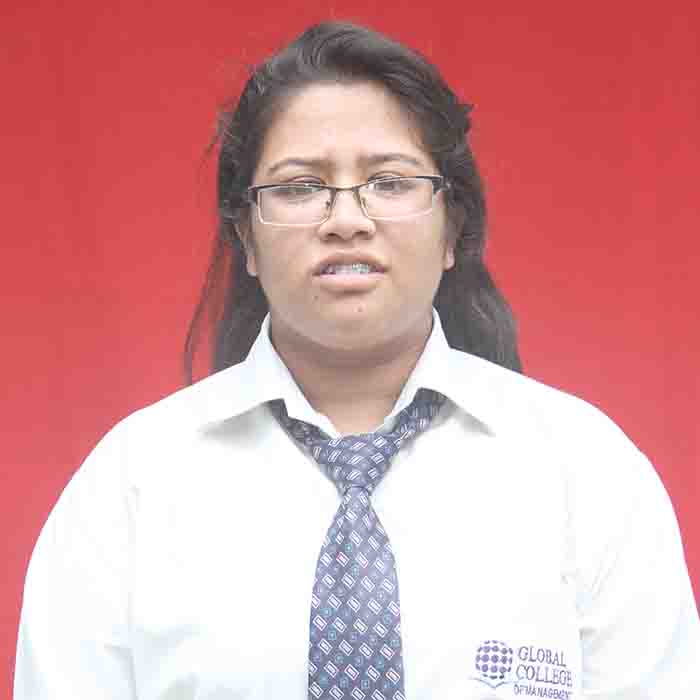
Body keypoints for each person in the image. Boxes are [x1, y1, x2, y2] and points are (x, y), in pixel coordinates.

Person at [14, 20, 699, 700]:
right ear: (246, 239)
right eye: (299, 187)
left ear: (453, 228)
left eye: (390, 182)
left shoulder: (587, 472)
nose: (346, 219)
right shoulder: (131, 485)